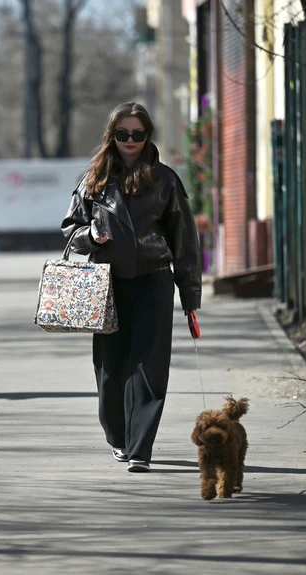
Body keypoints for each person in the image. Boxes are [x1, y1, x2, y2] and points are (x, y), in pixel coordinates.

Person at [61, 101, 202, 472]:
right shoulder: (93, 179)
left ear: (147, 135)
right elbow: (70, 229)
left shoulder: (165, 180)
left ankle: (140, 448)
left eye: (137, 134)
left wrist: (190, 296)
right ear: (112, 135)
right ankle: (119, 438)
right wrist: (90, 236)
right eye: (122, 133)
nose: (130, 140)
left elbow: (185, 241)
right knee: (110, 369)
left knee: (149, 367)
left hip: (154, 280)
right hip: (106, 284)